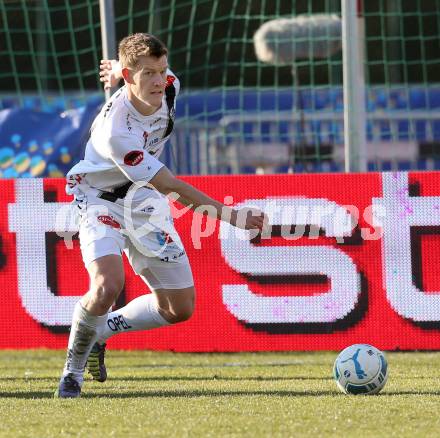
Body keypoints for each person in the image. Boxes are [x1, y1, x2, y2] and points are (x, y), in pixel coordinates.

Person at [55, 33, 267, 398]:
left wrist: (121, 71)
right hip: (99, 199)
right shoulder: (115, 132)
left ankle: (103, 331)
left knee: (178, 308)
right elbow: (170, 185)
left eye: (163, 70)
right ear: (129, 75)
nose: (159, 80)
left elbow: (140, 70)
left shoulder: (169, 86)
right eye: (149, 73)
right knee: (107, 285)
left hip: (141, 202)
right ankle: (72, 373)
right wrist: (230, 216)